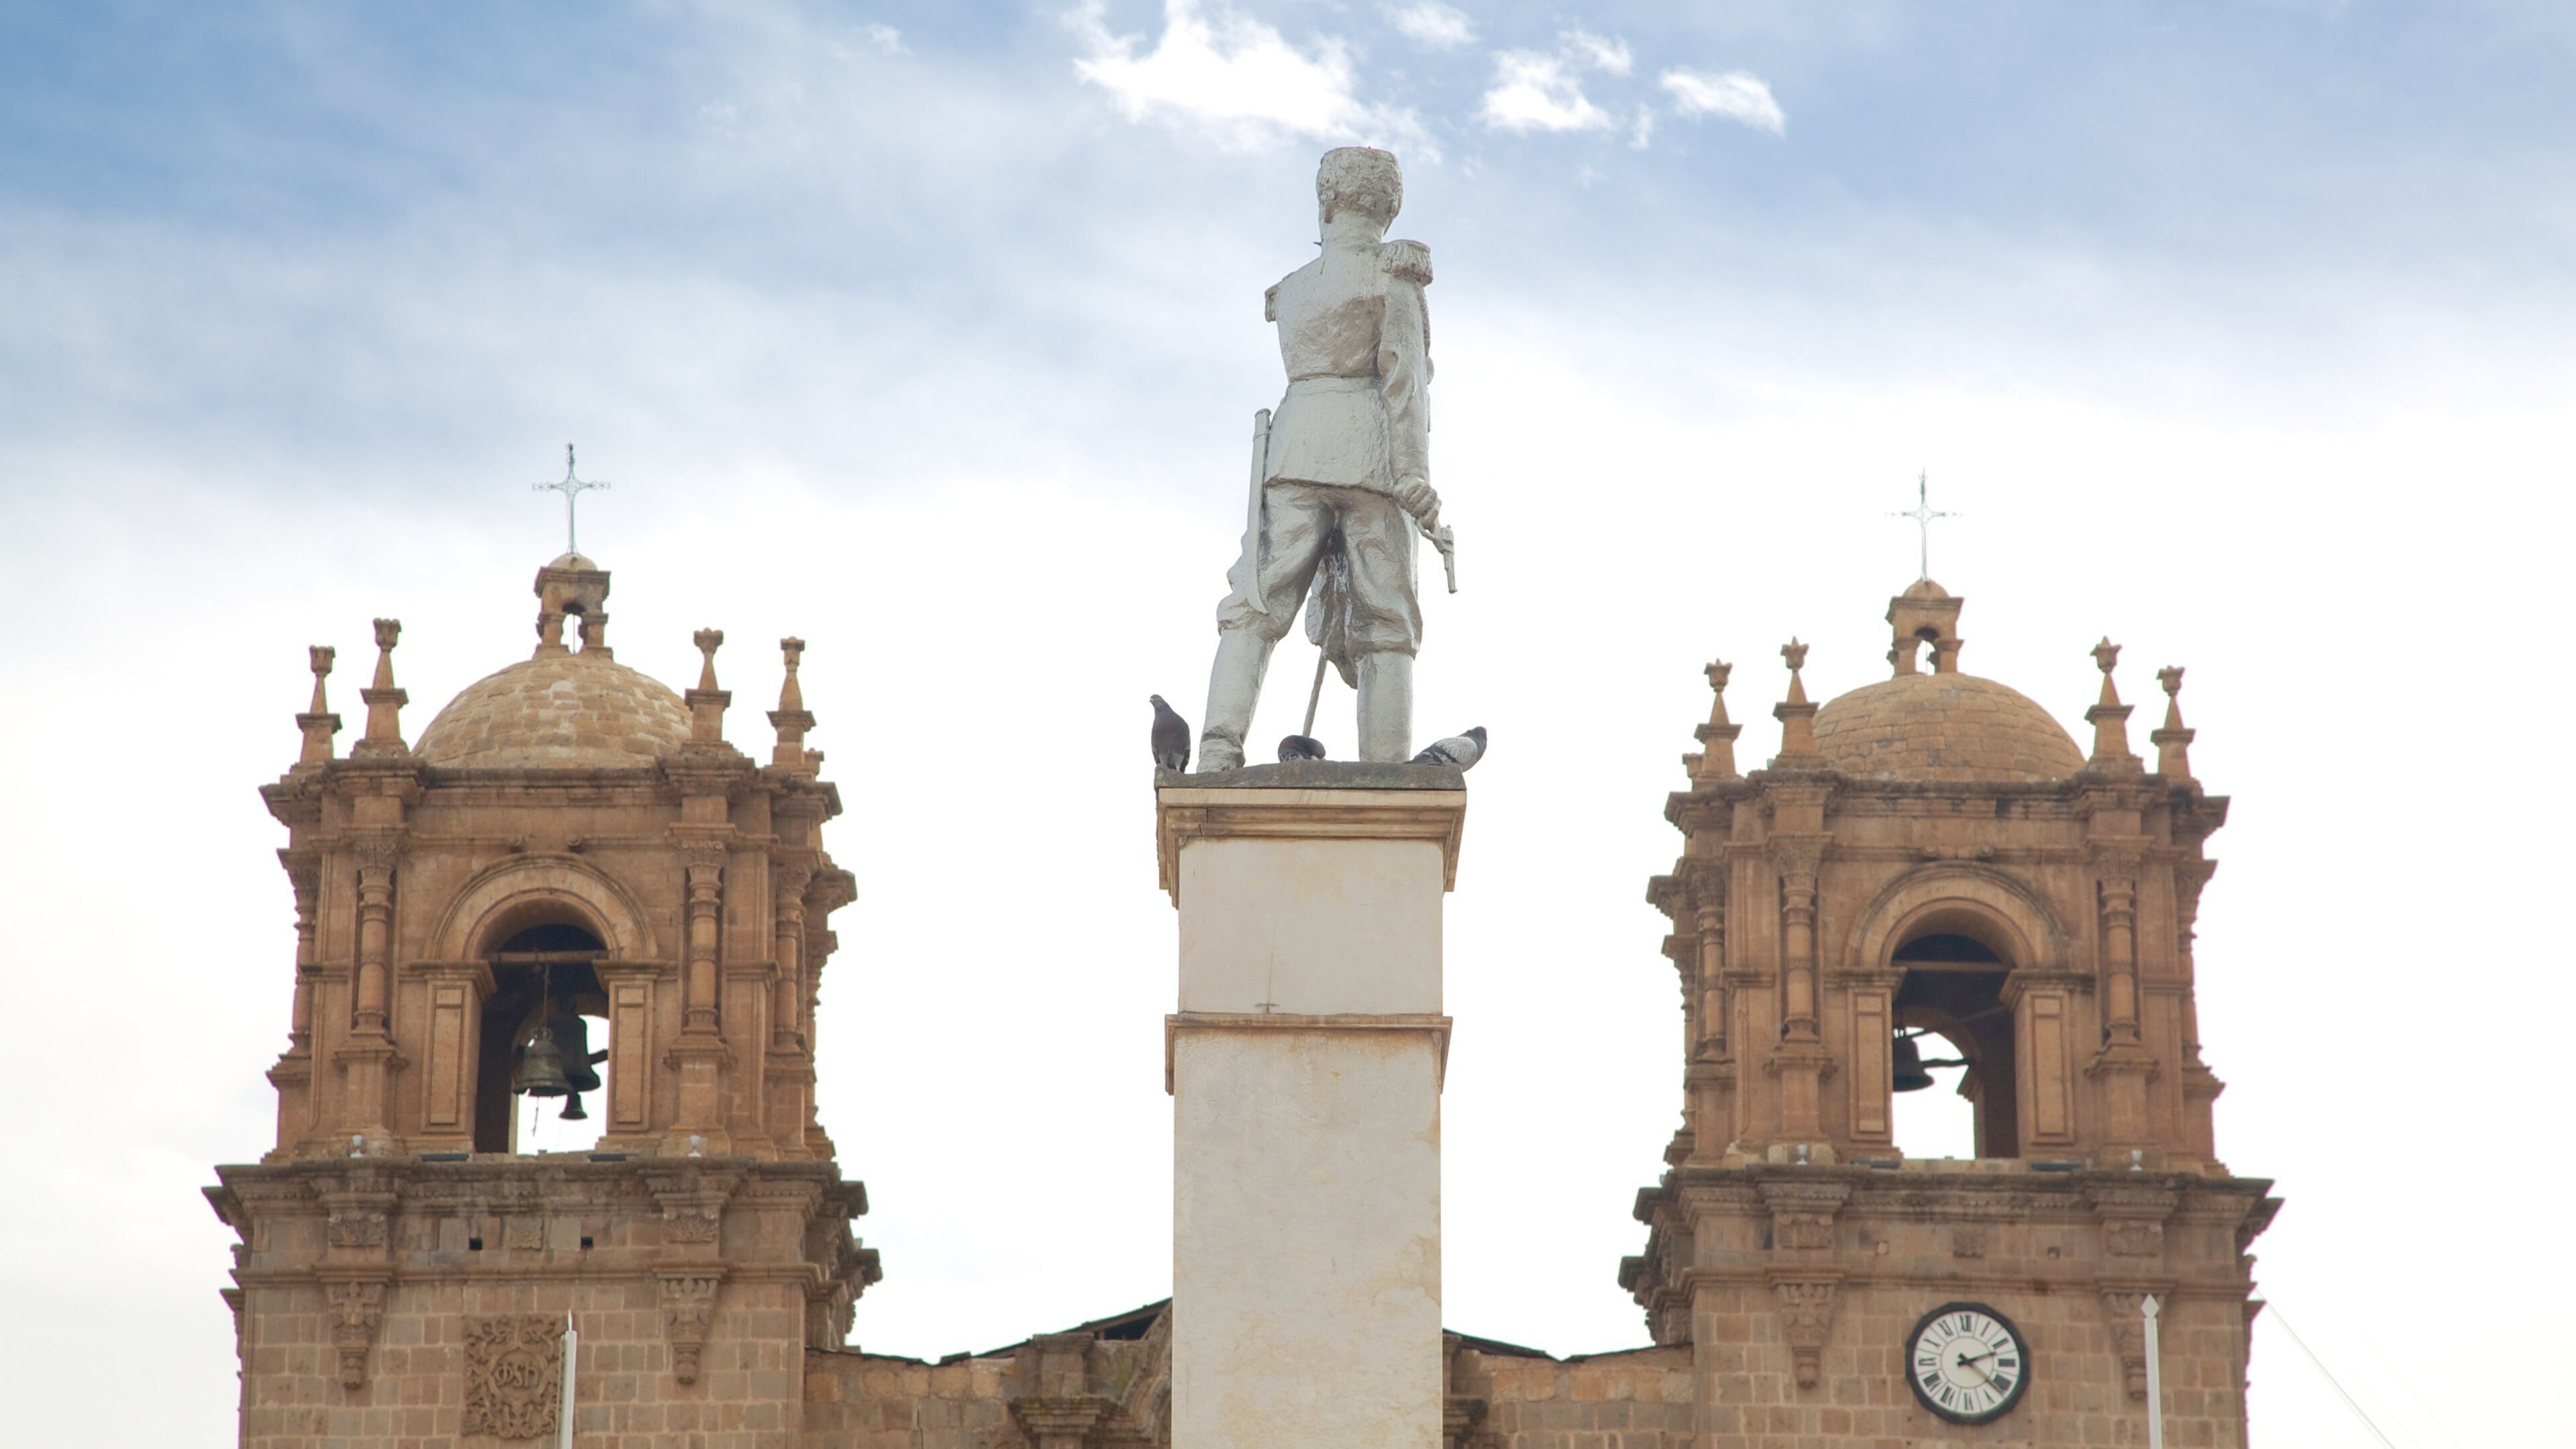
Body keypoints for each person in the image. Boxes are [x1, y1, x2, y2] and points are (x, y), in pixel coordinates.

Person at [1197, 146, 1439, 769]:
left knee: (1254, 602)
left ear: (1326, 200)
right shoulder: (1395, 275)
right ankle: (1387, 769)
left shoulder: (1293, 290)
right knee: (1388, 619)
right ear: (1390, 206)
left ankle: (1217, 750)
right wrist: (1414, 474)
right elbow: (1403, 379)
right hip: (1371, 458)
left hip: (1294, 448)